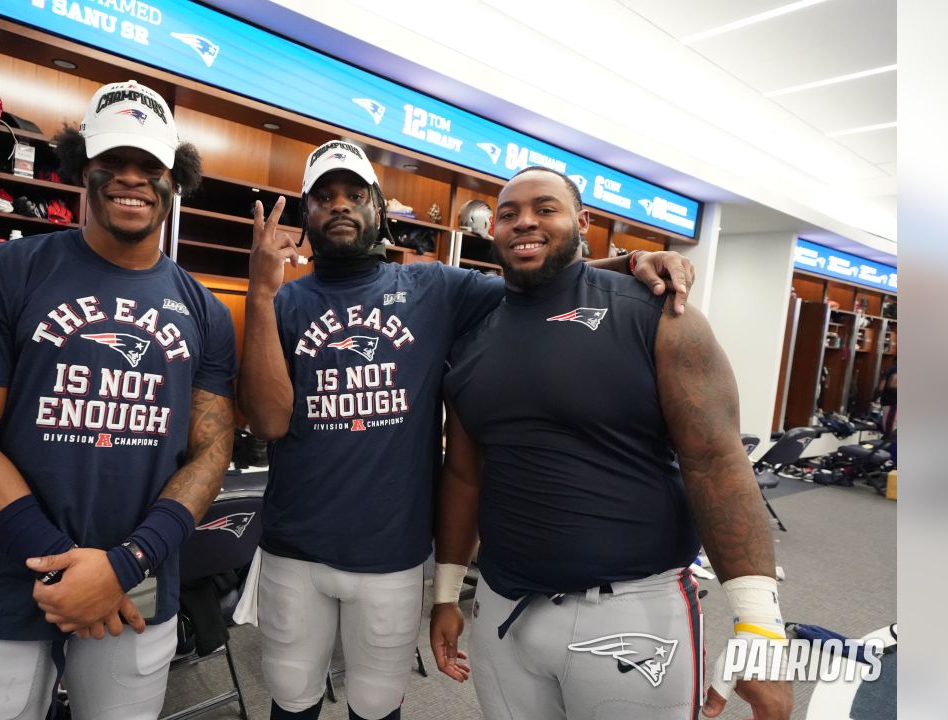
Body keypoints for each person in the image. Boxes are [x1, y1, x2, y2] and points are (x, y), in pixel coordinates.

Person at [237, 140, 696, 720]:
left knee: (376, 706)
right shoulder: (283, 302)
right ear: (307, 214)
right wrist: (260, 290)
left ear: (380, 210)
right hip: (294, 547)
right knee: (291, 697)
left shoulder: (435, 289)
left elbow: (545, 275)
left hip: (393, 552)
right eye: (324, 197)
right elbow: (268, 420)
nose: (341, 206)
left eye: (355, 194)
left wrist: (633, 265)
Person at [0, 80, 236, 720]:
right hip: (7, 577)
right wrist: (64, 567)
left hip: (138, 580)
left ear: (176, 179)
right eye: (112, 162)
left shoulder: (206, 311)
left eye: (151, 165)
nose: (132, 179)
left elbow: (212, 448)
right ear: (80, 168)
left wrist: (126, 563)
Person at [429, 165, 792, 720]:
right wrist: (447, 592)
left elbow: (717, 463)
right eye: (508, 213)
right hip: (504, 612)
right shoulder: (472, 338)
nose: (524, 221)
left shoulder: (659, 313)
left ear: (582, 220)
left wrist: (760, 627)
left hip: (633, 613)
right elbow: (465, 475)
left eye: (544, 208)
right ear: (491, 231)